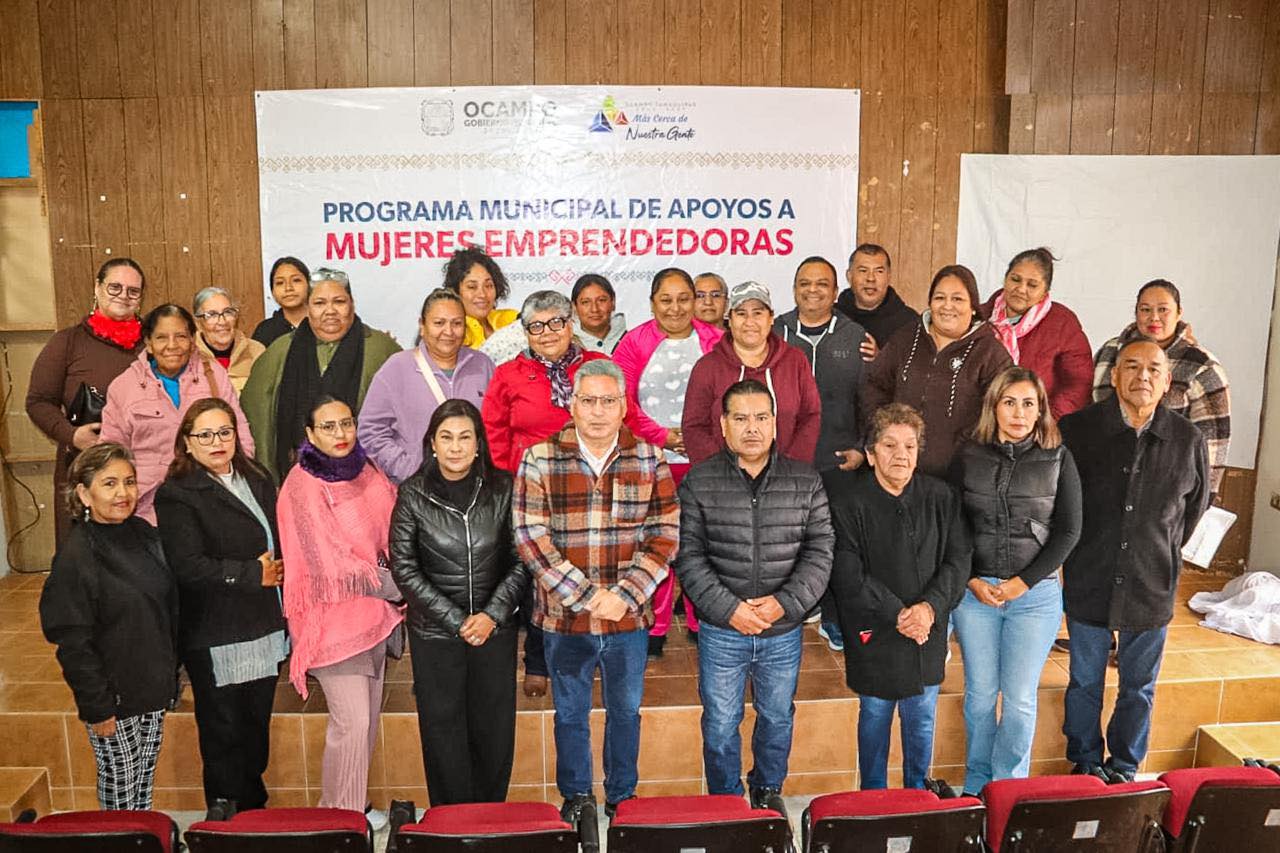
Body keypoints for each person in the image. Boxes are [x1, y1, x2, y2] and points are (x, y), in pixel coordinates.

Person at [513, 359, 679, 821]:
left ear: (624, 406)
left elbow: (665, 534)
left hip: (628, 619)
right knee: (570, 714)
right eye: (589, 401)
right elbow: (530, 538)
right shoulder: (540, 458)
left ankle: (621, 795)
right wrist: (588, 598)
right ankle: (577, 795)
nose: (599, 411)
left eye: (609, 401)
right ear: (573, 404)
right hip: (565, 619)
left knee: (626, 712)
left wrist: (624, 595)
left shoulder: (649, 458)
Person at [675, 379, 833, 818]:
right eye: (740, 418)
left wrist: (785, 603)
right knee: (722, 724)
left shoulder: (805, 481)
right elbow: (687, 555)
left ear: (775, 423)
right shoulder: (700, 482)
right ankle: (726, 801)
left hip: (782, 629)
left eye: (761, 418)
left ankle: (766, 790)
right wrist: (730, 609)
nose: (752, 428)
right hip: (723, 629)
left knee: (777, 717)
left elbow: (821, 552)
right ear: (723, 425)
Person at [1059, 339, 1210, 782]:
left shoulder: (1188, 439)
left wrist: (1155, 547)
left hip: (1152, 581)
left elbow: (1194, 509)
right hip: (1090, 576)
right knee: (1085, 681)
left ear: (1166, 382)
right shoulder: (1078, 431)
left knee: (1138, 687)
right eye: (1132, 366)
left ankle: (1124, 766)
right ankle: (1084, 762)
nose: (1142, 376)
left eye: (1153, 369)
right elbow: (1065, 505)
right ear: (1114, 376)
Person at [950, 367, 1082, 795]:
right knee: (980, 697)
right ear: (994, 407)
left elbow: (1068, 530)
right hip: (977, 596)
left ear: (1041, 409)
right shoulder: (969, 455)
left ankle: (1008, 786)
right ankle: (976, 783)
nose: (1019, 412)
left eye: (1028, 403)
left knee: (1021, 699)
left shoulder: (1058, 456)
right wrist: (970, 579)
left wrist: (1023, 583)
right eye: (1009, 402)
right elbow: (954, 524)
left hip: (1034, 597)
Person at [390, 399, 528, 805]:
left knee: (494, 728)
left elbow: (522, 561)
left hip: (493, 632)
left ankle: (489, 819)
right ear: (431, 442)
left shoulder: (504, 489)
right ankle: (451, 823)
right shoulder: (413, 494)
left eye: (465, 437)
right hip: (436, 635)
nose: (455, 447)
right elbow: (405, 567)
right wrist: (456, 620)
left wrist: (490, 616)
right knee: (443, 730)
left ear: (479, 443)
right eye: (446, 437)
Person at [824, 403, 970, 790]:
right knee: (874, 713)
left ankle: (917, 796)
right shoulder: (848, 504)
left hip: (928, 627)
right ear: (870, 455)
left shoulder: (942, 496)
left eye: (909, 445)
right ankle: (873, 799)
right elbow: (847, 572)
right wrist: (900, 613)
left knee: (922, 714)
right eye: (889, 445)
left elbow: (959, 560)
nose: (900, 455)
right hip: (875, 626)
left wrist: (928, 608)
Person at [154, 398, 286, 810]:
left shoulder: (257, 479)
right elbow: (188, 566)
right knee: (223, 734)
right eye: (205, 435)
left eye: (224, 432)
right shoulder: (177, 495)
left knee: (255, 729)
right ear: (187, 443)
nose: (217, 442)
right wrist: (252, 574)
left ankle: (254, 813)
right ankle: (227, 822)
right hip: (216, 633)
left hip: (262, 627)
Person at [278, 395, 404, 824]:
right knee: (350, 725)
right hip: (332, 623)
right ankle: (344, 823)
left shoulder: (365, 469)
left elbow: (392, 524)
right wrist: (399, 585)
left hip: (376, 617)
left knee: (364, 724)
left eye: (346, 424)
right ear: (310, 435)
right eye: (328, 427)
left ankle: (347, 809)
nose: (340, 434)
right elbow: (327, 562)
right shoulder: (302, 484)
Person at [481, 290, 608, 697]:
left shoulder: (597, 367)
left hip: (589, 489)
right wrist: (505, 483)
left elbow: (622, 416)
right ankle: (537, 660)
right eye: (537, 326)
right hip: (529, 491)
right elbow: (494, 431)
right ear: (526, 332)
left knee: (590, 570)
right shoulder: (508, 374)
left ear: (571, 324)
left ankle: (592, 652)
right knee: (540, 574)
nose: (547, 332)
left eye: (556, 322)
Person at [39, 443, 178, 810]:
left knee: (142, 781)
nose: (123, 493)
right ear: (84, 493)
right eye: (110, 483)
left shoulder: (142, 533)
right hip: (113, 698)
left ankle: (142, 839)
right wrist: (97, 706)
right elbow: (72, 642)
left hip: (151, 687)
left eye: (129, 482)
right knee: (120, 786)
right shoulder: (76, 556)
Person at [611, 267, 724, 655]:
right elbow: (622, 402)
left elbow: (727, 398)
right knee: (654, 545)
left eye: (683, 299)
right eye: (666, 300)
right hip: (650, 461)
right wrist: (664, 436)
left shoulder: (716, 341)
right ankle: (655, 627)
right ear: (652, 303)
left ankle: (698, 621)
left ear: (695, 301)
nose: (675, 308)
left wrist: (698, 438)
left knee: (700, 544)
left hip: (703, 462)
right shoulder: (634, 342)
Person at [241, 267, 401, 482]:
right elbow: (258, 421)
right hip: (296, 478)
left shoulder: (381, 349)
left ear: (352, 304)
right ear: (307, 307)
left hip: (369, 480)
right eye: (319, 303)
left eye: (339, 302)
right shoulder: (280, 351)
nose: (330, 310)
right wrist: (269, 481)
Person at [26, 258, 146, 544]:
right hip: (84, 467)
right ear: (97, 288)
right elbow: (38, 401)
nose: (123, 296)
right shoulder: (67, 342)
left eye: (133, 291)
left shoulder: (152, 344)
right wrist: (71, 435)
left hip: (141, 470)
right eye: (115, 287)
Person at [100, 304, 252, 524]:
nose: (172, 346)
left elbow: (241, 434)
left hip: (212, 505)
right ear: (148, 343)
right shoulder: (124, 387)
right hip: (148, 511)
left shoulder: (213, 375)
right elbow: (110, 454)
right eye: (162, 338)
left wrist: (239, 486)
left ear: (192, 340)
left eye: (180, 336)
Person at [863, 265, 1012, 477]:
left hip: (961, 476)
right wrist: (882, 428)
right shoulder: (906, 338)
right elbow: (874, 384)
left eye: (958, 299)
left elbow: (1002, 408)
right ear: (930, 303)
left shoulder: (990, 352)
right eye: (940, 298)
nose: (947, 306)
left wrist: (965, 448)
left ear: (973, 307)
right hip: (898, 473)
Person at [1091, 279, 1230, 494]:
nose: (1153, 318)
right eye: (1145, 309)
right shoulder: (1110, 351)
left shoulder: (1201, 365)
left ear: (1179, 312)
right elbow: (1088, 413)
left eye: (1163, 309)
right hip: (1103, 477)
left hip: (1165, 486)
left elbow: (1213, 440)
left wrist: (1204, 495)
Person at [358, 289, 494, 483]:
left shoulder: (483, 365)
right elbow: (370, 431)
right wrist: (411, 471)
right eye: (439, 323)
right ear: (422, 326)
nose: (448, 332)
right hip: (417, 490)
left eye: (457, 323)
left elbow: (499, 426)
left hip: (475, 489)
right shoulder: (396, 368)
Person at [682, 281, 821, 465]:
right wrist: (723, 472)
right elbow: (694, 427)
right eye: (741, 313)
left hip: (786, 480)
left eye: (758, 313)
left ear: (771, 318)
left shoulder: (795, 361)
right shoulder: (707, 367)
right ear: (729, 320)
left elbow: (810, 416)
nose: (749, 322)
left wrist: (790, 469)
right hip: (723, 483)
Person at [979, 248, 1093, 419]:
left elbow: (1078, 384)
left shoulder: (1062, 322)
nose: (1021, 289)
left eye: (1032, 285)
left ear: (1045, 292)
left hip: (1038, 428)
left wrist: (1046, 422)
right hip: (982, 424)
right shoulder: (979, 317)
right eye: (1015, 279)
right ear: (1005, 279)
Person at [835, 243, 918, 358]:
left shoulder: (910, 323)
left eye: (879, 271)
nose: (871, 278)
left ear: (889, 276)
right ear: (849, 276)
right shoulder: (834, 317)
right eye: (863, 271)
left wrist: (880, 360)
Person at [193, 287, 266, 394]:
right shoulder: (189, 356)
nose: (222, 322)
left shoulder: (256, 351)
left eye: (228, 312)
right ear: (198, 323)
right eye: (212, 315)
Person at [443, 246, 518, 348]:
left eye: (488, 286)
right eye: (472, 287)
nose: (482, 294)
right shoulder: (451, 332)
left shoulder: (512, 320)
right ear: (455, 292)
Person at [252, 256, 310, 347]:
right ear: (272, 292)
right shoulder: (265, 331)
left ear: (309, 285)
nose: (288, 288)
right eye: (280, 283)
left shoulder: (324, 324)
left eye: (296, 280)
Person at [572, 273, 628, 352]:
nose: (594, 309)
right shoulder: (566, 348)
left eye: (601, 300)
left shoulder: (633, 341)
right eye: (586, 302)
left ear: (613, 302)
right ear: (574, 307)